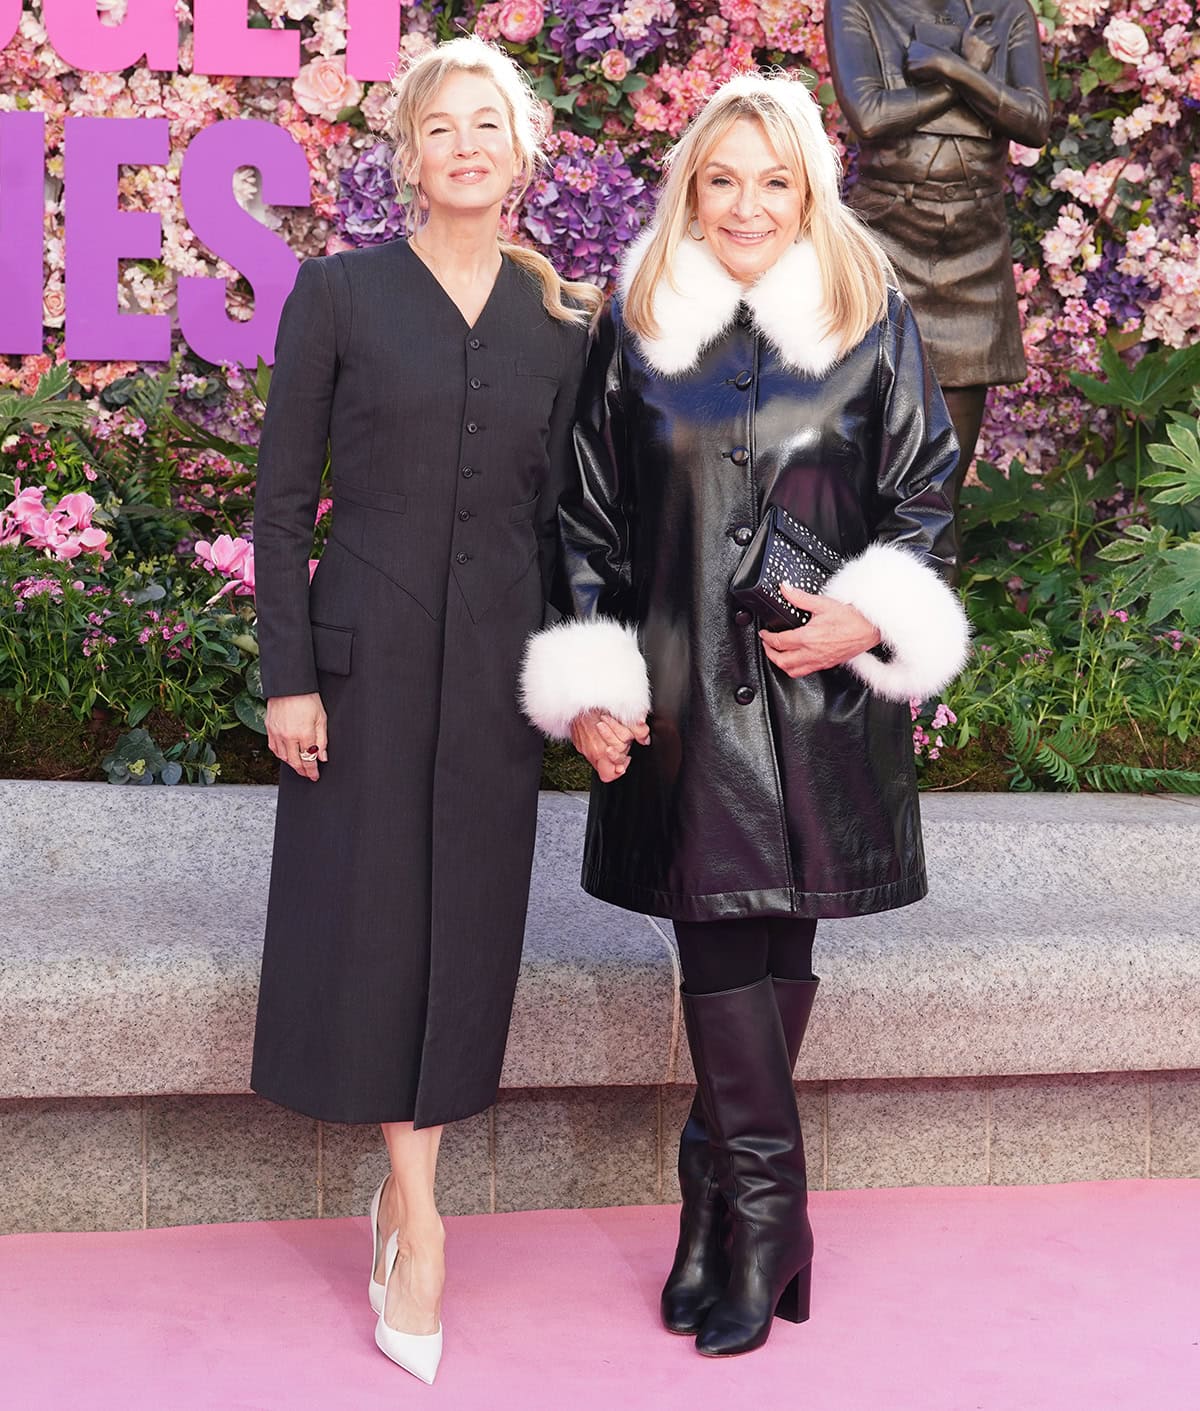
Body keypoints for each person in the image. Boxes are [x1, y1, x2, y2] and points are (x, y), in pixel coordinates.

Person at [520, 72, 969, 1358]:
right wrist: (594, 682)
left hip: (822, 699)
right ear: (691, 191)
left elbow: (926, 497)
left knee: (779, 943)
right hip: (682, 702)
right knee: (721, 938)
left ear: (810, 188)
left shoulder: (870, 318)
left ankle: (731, 1209)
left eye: (775, 179)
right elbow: (586, 516)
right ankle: (760, 1214)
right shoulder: (640, 320)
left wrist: (869, 612)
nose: (748, 204)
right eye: (723, 179)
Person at [250, 36, 597, 1384]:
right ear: (411, 153)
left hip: (498, 680)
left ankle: (408, 1191)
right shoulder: (338, 296)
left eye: (487, 126)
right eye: (440, 126)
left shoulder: (561, 326)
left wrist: (585, 691)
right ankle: (421, 1216)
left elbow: (574, 523)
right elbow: (282, 504)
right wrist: (289, 673)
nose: (465, 145)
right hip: (359, 671)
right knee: (380, 923)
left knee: (466, 928)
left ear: (522, 157)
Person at [825, 0, 1051, 508]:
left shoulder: (1004, 12)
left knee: (941, 491)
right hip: (886, 241)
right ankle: (859, 588)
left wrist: (951, 67)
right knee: (865, 479)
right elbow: (872, 115)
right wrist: (973, 80)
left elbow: (1034, 122)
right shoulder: (856, 5)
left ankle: (938, 588)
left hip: (973, 245)